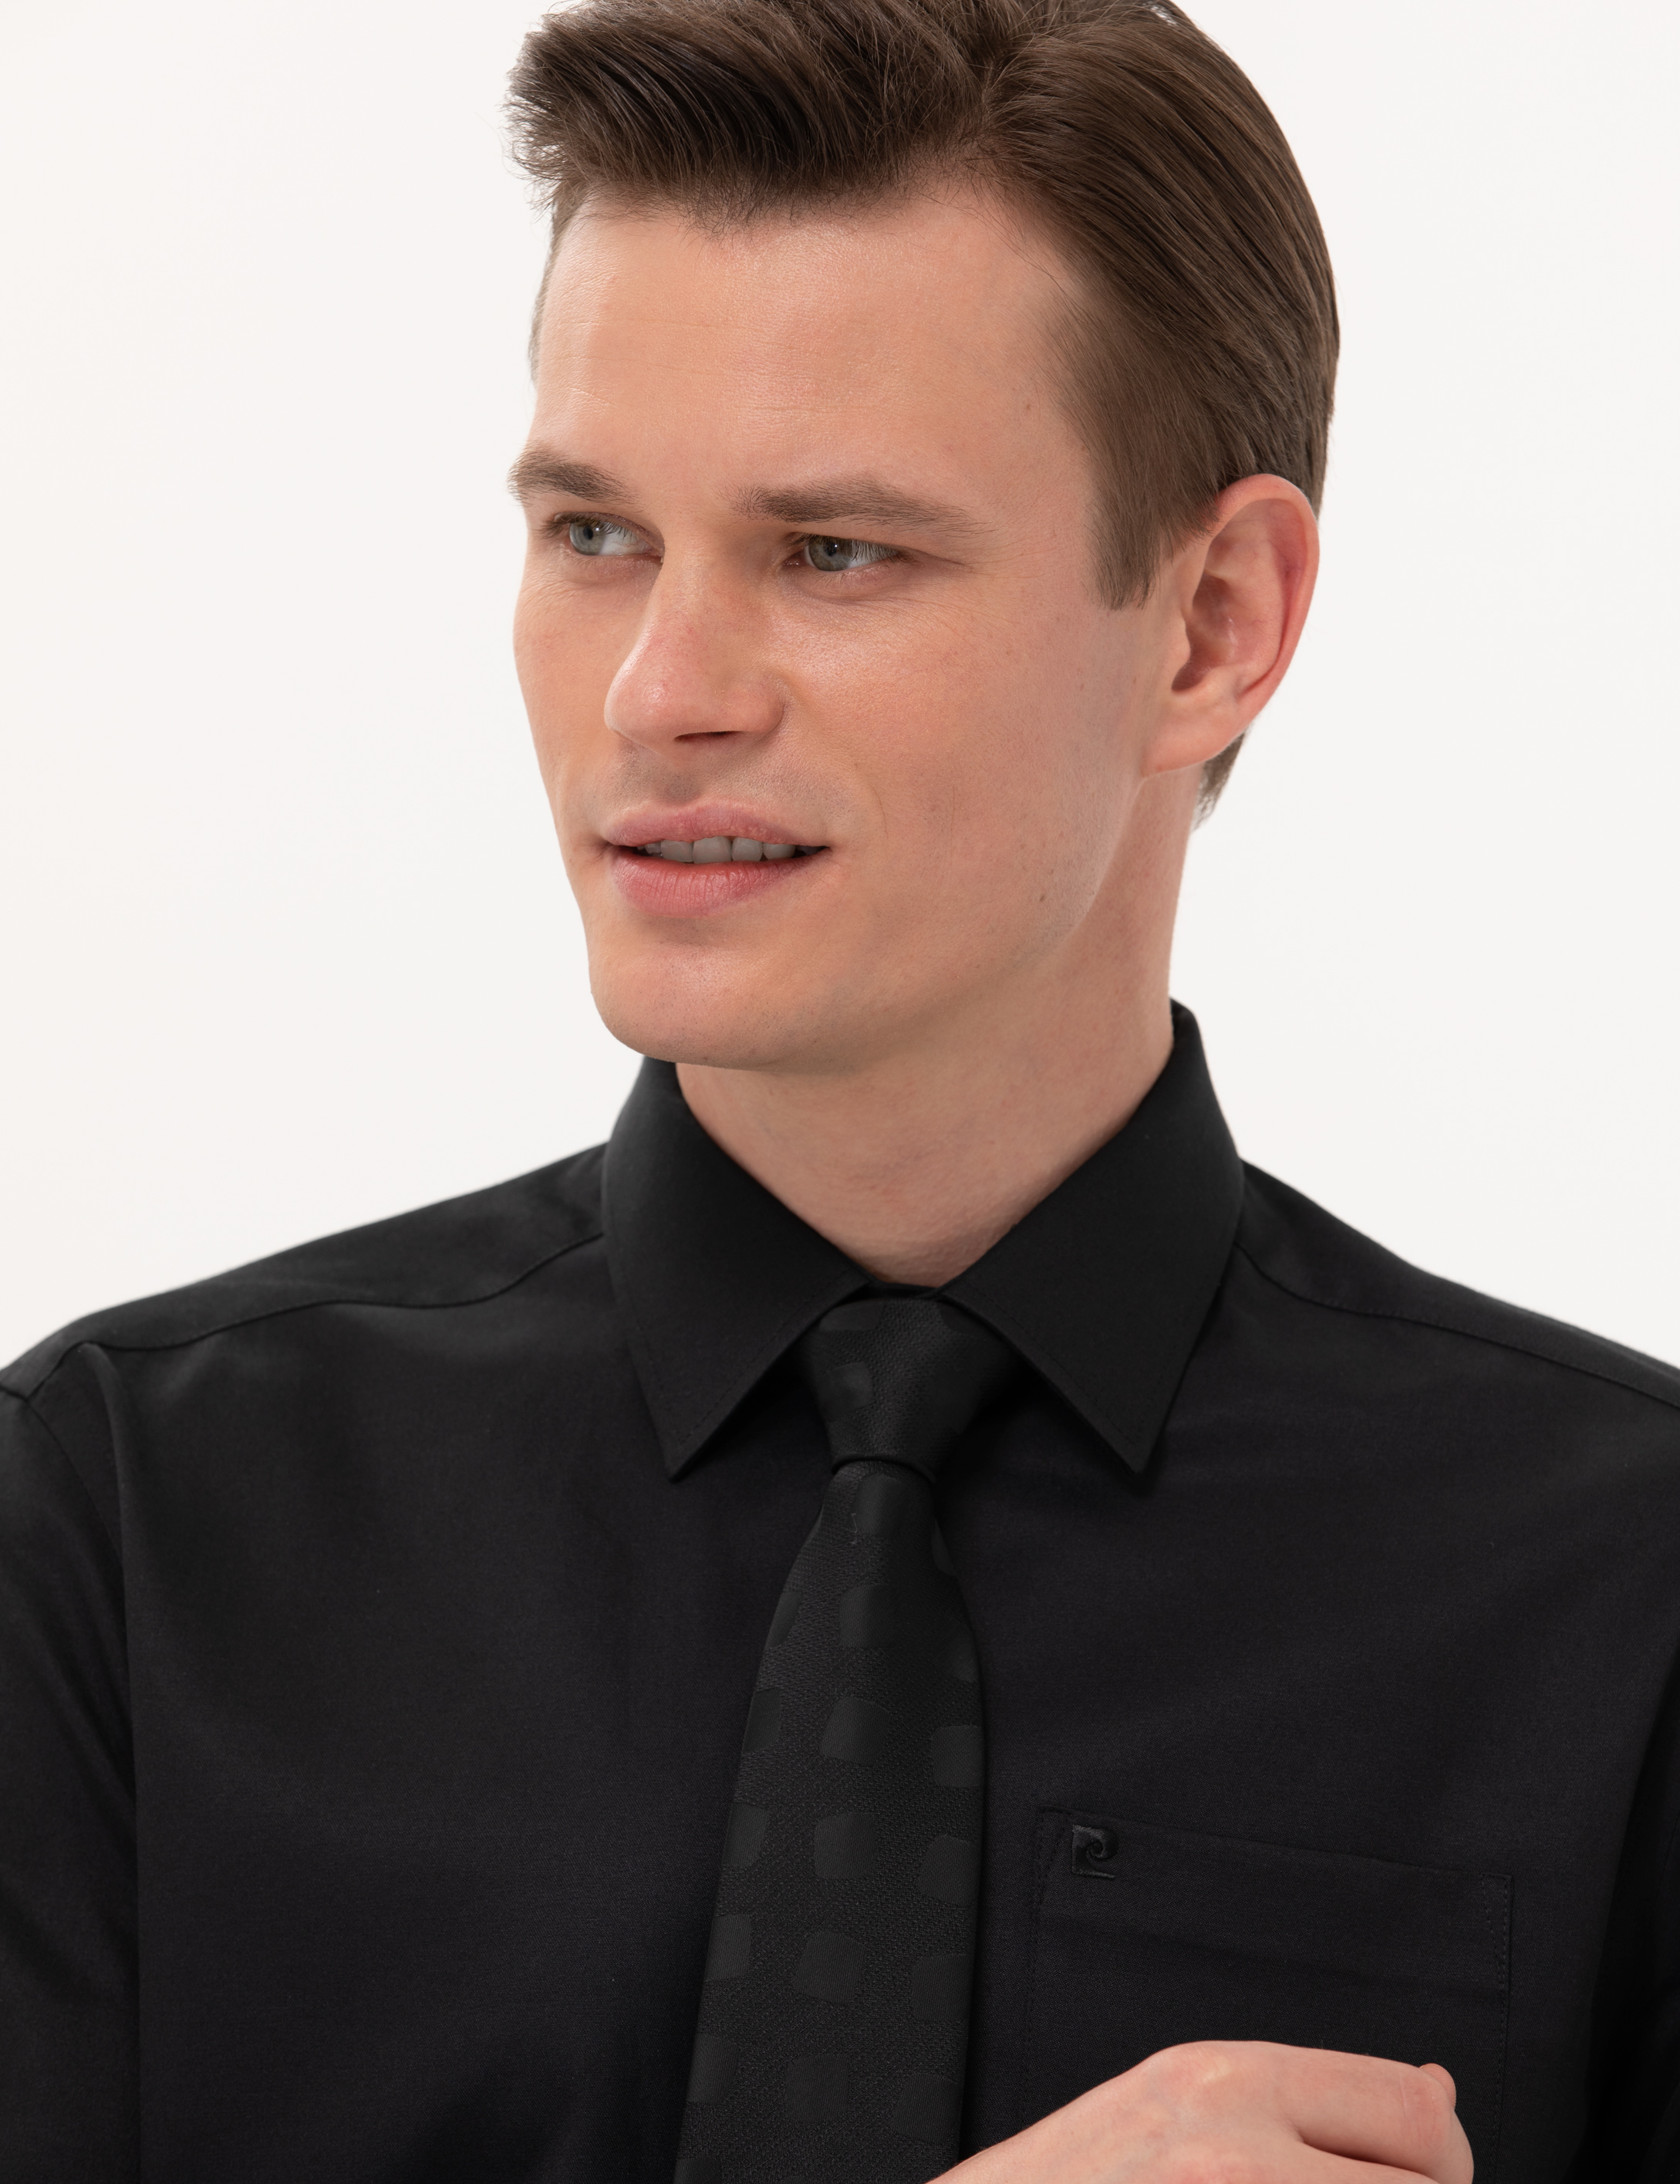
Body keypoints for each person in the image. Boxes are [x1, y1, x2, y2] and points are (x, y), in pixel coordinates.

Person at [2, 0, 1676, 2177]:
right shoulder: (121, 1532)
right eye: (594, 533)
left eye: (833, 553)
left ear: (1210, 625)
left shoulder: (1625, 1603)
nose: (656, 693)